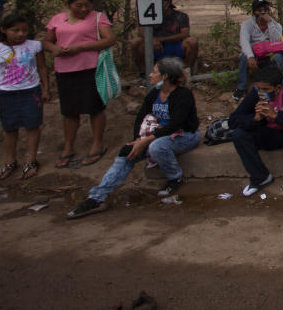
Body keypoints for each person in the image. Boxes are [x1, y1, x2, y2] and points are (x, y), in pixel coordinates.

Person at [66, 57, 201, 219]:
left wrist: (144, 141)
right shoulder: (153, 95)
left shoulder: (183, 95)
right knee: (126, 152)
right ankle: (97, 197)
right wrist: (138, 139)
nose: (150, 75)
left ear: (165, 76)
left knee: (156, 146)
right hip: (155, 135)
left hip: (185, 135)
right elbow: (140, 118)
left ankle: (175, 178)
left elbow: (175, 124)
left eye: (155, 72)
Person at [43, 0, 116, 167]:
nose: (83, 9)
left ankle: (97, 143)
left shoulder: (98, 17)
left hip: (91, 68)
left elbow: (109, 39)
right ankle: (68, 146)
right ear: (68, 5)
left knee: (95, 107)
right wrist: (55, 49)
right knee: (69, 110)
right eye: (78, 5)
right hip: (65, 70)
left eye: (87, 5)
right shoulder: (57, 20)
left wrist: (81, 48)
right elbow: (46, 41)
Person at [229, 64, 283, 199]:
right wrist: (255, 119)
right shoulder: (256, 93)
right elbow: (233, 120)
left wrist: (277, 116)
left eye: (266, 89)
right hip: (268, 135)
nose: (261, 92)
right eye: (259, 88)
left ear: (278, 88)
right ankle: (260, 177)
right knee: (238, 134)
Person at [0, 13, 50, 180]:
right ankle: (10, 161)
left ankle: (31, 161)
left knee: (32, 126)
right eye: (15, 30)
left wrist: (45, 89)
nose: (21, 34)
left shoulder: (35, 46)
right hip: (6, 94)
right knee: (9, 128)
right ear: (3, 30)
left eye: (24, 30)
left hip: (31, 91)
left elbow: (42, 68)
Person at [129, 0, 198, 73]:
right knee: (135, 42)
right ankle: (144, 71)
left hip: (174, 45)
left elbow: (185, 34)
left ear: (167, 3)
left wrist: (161, 39)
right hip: (154, 47)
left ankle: (186, 70)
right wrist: (153, 40)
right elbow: (141, 32)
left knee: (192, 41)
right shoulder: (148, 15)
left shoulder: (180, 16)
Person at [233, 0, 283, 101]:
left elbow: (276, 41)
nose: (263, 13)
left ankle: (276, 85)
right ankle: (241, 87)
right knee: (244, 58)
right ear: (254, 12)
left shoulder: (276, 25)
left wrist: (270, 24)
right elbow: (244, 42)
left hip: (269, 53)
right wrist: (250, 56)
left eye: (265, 10)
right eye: (259, 10)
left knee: (278, 58)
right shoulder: (247, 24)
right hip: (254, 53)